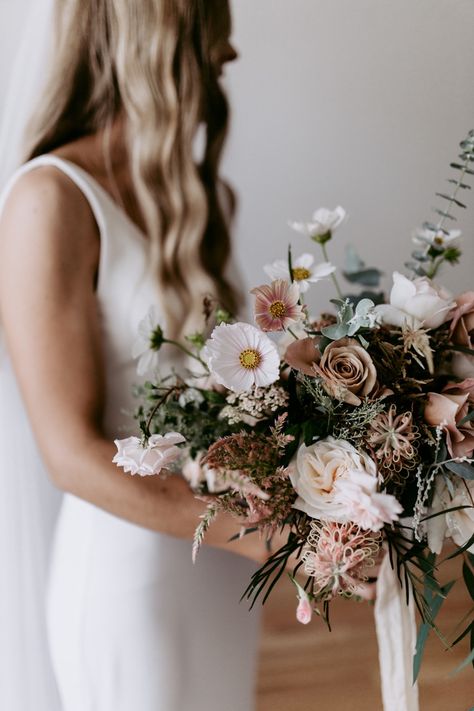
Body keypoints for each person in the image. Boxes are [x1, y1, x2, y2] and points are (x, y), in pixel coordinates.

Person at [0, 1, 267, 709]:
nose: (229, 55)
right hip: (128, 581)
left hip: (215, 572)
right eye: (214, 31)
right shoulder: (50, 200)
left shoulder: (185, 195)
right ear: (158, 38)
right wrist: (261, 536)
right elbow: (69, 452)